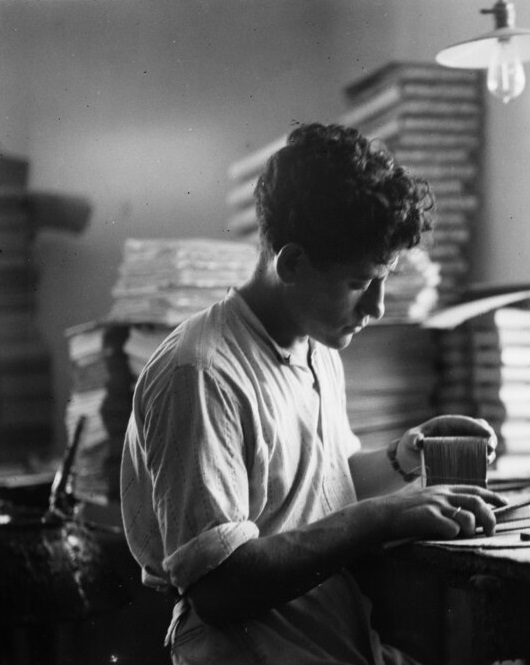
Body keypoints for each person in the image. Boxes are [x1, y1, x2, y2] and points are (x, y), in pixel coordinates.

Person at [121, 122, 505, 665]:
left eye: (385, 278)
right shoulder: (201, 373)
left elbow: (327, 480)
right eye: (359, 283)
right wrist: (383, 518)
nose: (376, 307)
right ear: (292, 263)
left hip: (329, 639)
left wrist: (404, 456)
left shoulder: (316, 343)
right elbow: (220, 586)